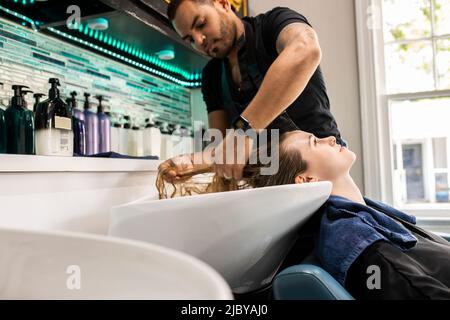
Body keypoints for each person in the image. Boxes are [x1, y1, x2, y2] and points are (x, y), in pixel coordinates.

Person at [157, 130, 450, 299]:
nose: (330, 137)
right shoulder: (351, 237)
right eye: (314, 142)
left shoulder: (365, 217)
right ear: (306, 179)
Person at [163, 0, 344, 181]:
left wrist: (245, 129)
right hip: (271, 185)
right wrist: (189, 163)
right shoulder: (212, 75)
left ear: (223, 3)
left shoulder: (272, 25)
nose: (199, 40)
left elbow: (307, 49)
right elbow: (221, 148)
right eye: (190, 39)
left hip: (323, 174)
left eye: (201, 24)